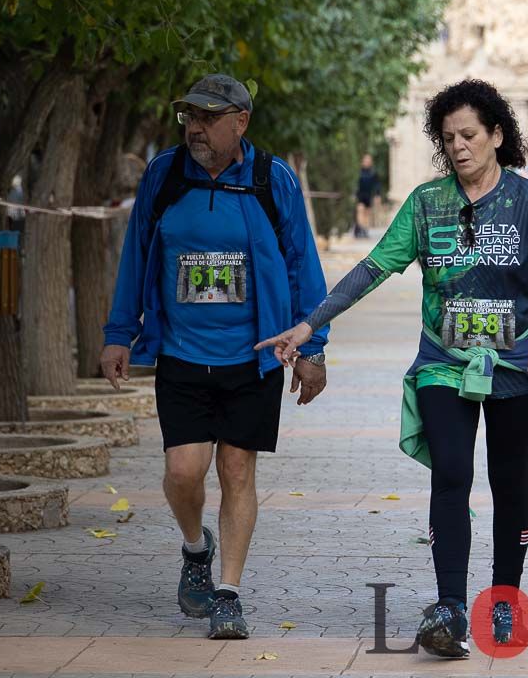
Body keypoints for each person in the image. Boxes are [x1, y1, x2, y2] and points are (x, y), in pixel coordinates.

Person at [257, 79, 528, 659]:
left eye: (470, 134)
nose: (459, 146)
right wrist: (311, 324)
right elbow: (372, 268)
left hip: (517, 366)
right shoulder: (426, 204)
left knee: (509, 481)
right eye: (448, 138)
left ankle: (506, 599)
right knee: (452, 474)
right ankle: (450, 608)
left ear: (496, 135)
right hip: (443, 363)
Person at [99, 74, 330, 640]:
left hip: (252, 356)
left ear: (240, 122)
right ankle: (195, 549)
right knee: (183, 471)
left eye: (206, 118)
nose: (195, 129)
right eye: (188, 118)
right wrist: (118, 332)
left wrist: (312, 349)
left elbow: (303, 265)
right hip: (181, 351)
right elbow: (137, 254)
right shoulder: (165, 174)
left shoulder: (270, 179)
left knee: (236, 469)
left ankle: (228, 592)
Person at [354, 153, 381, 238]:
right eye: (365, 160)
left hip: (368, 195)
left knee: (367, 214)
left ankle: (365, 229)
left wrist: (377, 195)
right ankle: (361, 228)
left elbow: (377, 185)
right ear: (362, 161)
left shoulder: (373, 173)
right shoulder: (358, 171)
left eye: (368, 160)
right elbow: (354, 183)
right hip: (360, 195)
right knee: (360, 210)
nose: (367, 162)